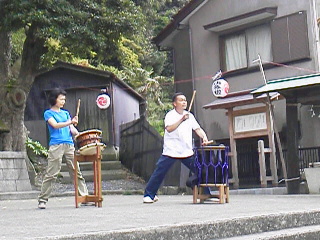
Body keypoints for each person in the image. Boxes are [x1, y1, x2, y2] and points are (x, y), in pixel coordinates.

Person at [143, 92, 209, 203]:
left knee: (200, 170)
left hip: (186, 151)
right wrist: (181, 119)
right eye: (181, 100)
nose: (184, 102)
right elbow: (169, 128)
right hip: (171, 150)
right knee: (160, 172)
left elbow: (197, 129)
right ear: (174, 103)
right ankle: (149, 195)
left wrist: (204, 137)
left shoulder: (190, 116)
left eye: (185, 100)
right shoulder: (170, 115)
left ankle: (205, 193)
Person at [38, 88, 88, 209]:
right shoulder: (48, 113)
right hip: (56, 145)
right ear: (54, 99)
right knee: (52, 173)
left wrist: (81, 135)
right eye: (61, 99)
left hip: (69, 144)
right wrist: (70, 122)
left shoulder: (65, 113)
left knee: (76, 171)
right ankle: (42, 199)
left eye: (64, 99)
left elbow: (72, 130)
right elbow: (55, 125)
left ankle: (84, 196)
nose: (63, 101)